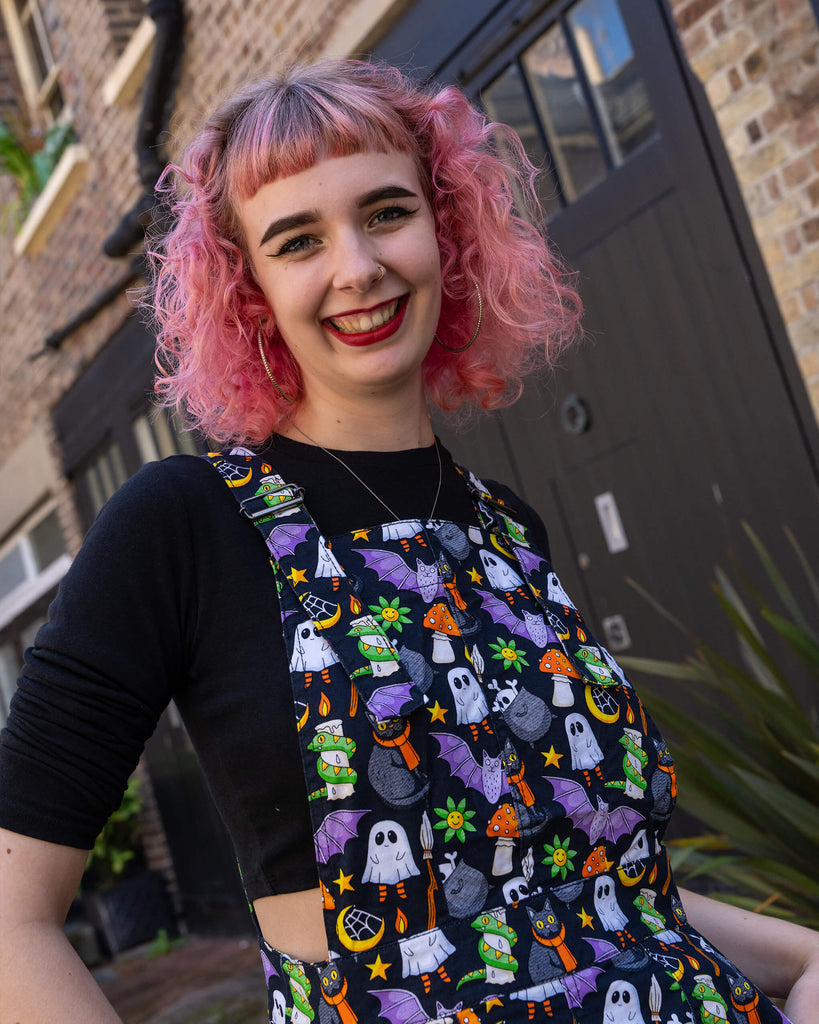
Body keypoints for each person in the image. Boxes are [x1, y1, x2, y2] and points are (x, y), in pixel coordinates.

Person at [0, 59, 817, 1024]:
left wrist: (808, 964)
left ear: (448, 231)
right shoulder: (183, 525)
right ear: (248, 287)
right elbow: (13, 921)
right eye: (298, 239)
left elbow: (593, 896)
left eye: (386, 212)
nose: (357, 267)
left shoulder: (507, 527)